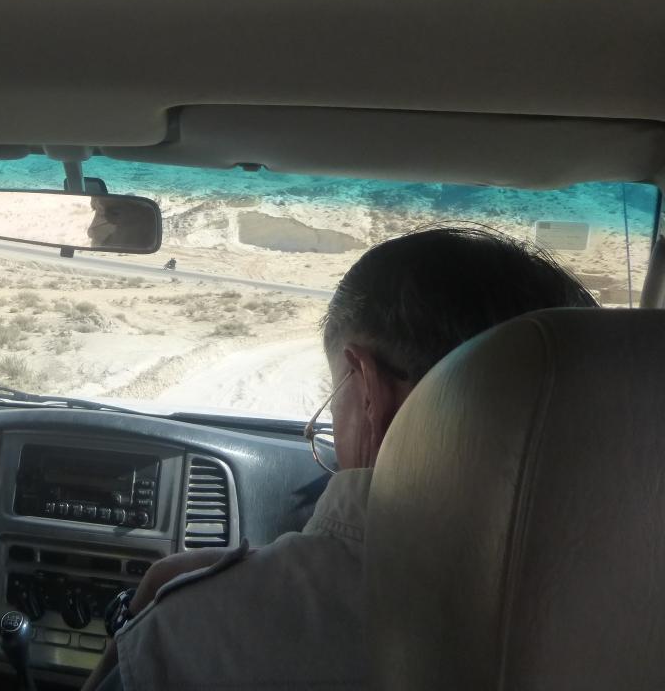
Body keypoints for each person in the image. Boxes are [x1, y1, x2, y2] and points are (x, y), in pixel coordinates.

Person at [84, 226, 598, 691]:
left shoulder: (198, 634)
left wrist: (155, 612)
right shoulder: (621, 612)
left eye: (335, 396)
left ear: (368, 389)